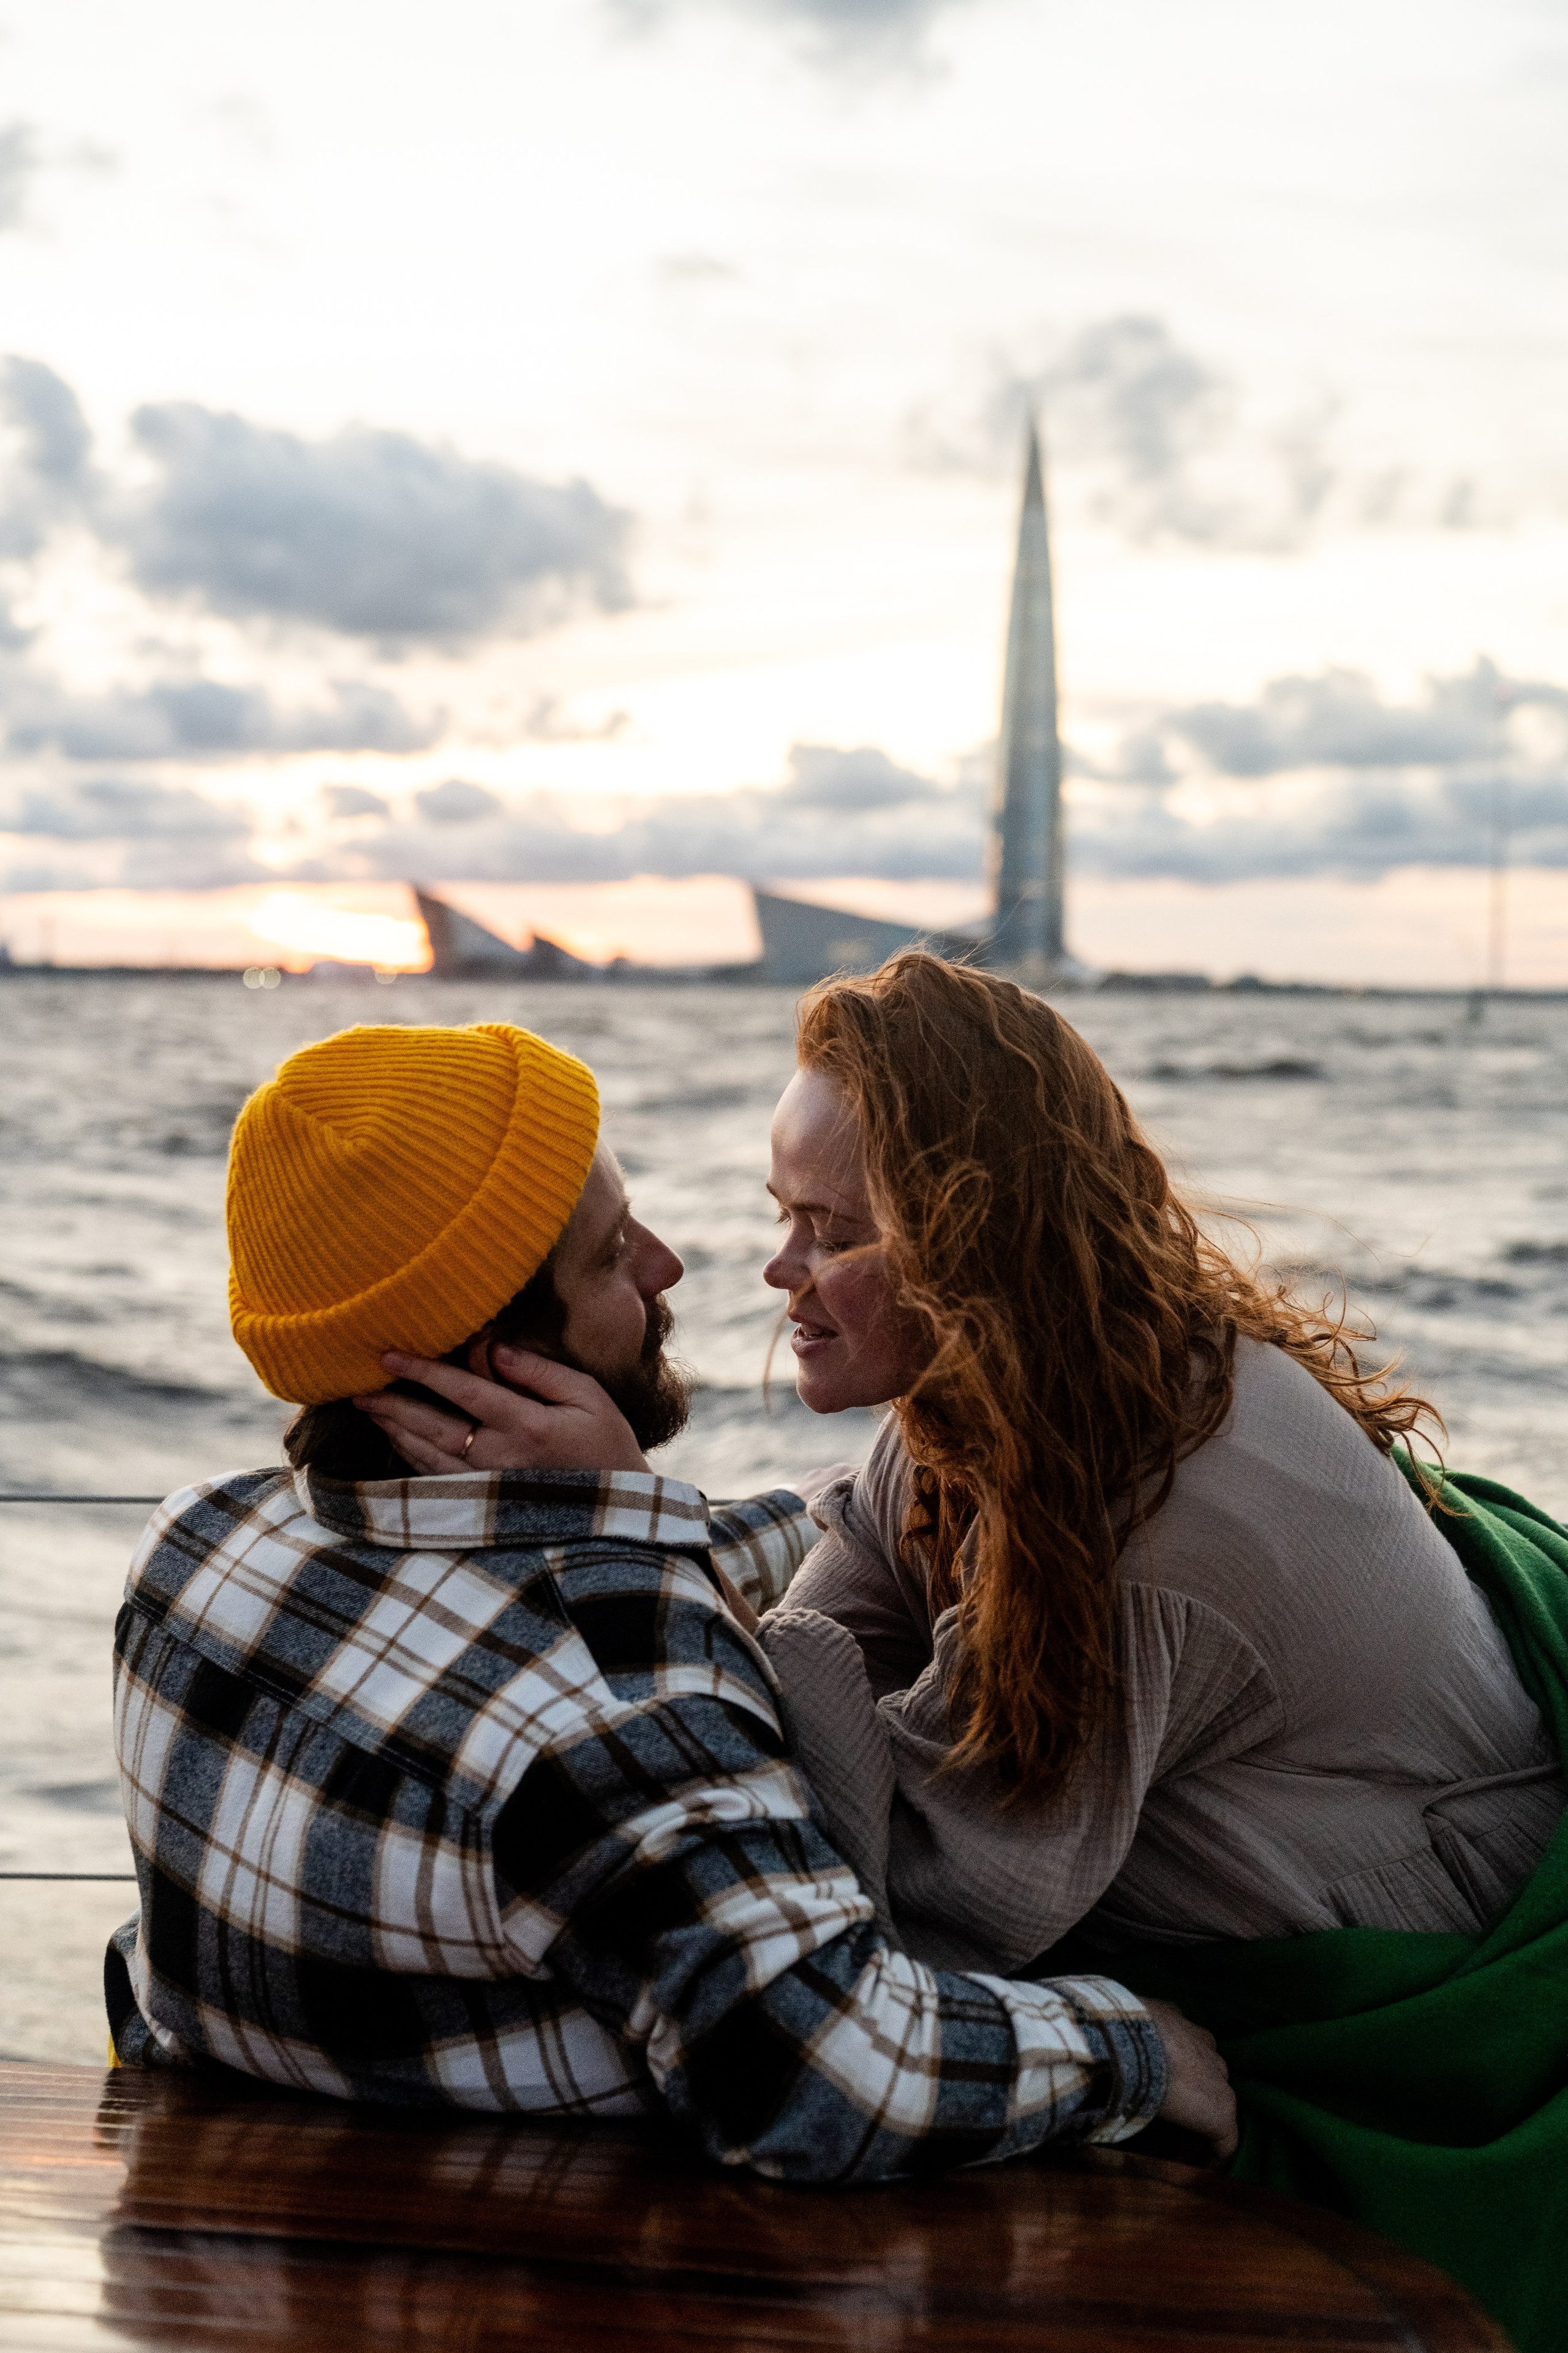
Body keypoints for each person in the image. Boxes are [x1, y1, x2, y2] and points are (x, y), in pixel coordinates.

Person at [107, 1014, 1234, 2183]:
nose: (665, 1264)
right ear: (495, 1362)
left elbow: (555, 1597)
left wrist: (639, 1505)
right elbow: (840, 2078)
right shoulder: (615, 1690)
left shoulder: (195, 1545)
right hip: (552, 2271)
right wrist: (1130, 2046)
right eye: (607, 1256)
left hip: (252, 2221)